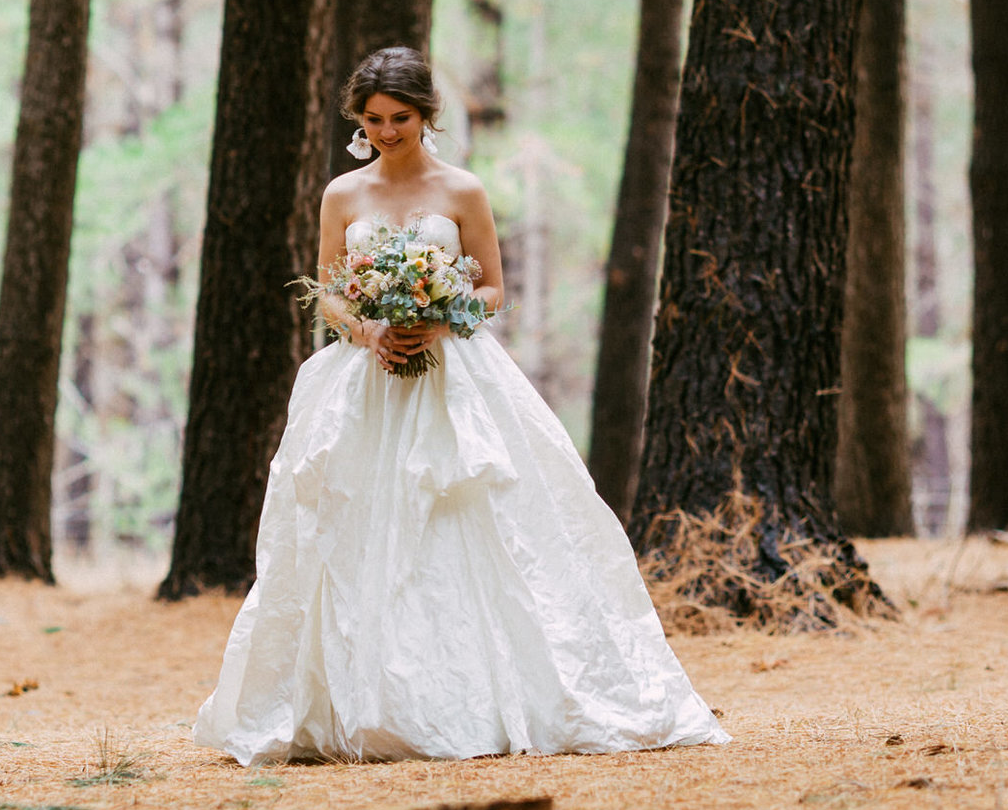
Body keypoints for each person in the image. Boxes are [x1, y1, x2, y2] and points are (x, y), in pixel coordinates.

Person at [192, 46, 728, 765]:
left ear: (427, 114)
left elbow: (493, 288)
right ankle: (358, 698)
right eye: (373, 119)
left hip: (455, 375)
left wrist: (437, 317)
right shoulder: (342, 195)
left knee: (469, 518)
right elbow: (326, 290)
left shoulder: (463, 190)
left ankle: (484, 694)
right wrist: (370, 326)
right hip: (366, 381)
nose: (386, 131)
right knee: (358, 526)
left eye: (400, 118)